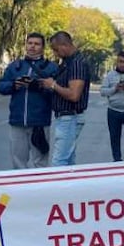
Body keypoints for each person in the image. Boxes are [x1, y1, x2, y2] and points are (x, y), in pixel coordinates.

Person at [0, 32, 59, 169]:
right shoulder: (15, 66)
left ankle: (40, 189)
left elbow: (57, 93)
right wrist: (14, 85)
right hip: (17, 122)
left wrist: (40, 86)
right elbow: (1, 86)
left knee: (40, 162)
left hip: (40, 123)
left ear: (43, 47)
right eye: (30, 43)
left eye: (37, 44)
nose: (32, 47)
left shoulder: (51, 67)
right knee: (18, 161)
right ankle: (21, 189)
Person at [41, 31, 89, 166]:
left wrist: (53, 85)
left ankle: (57, 187)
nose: (55, 53)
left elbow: (74, 95)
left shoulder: (77, 63)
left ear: (64, 45)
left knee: (59, 161)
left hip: (70, 117)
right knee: (68, 160)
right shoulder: (69, 62)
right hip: (67, 117)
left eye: (56, 50)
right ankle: (70, 186)